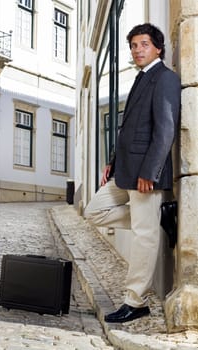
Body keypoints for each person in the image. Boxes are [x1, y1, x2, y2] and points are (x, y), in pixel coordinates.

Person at [84, 23, 181, 323]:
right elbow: (130, 128)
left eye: (143, 44)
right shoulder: (140, 78)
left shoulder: (165, 78)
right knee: (93, 211)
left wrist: (150, 171)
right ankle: (157, 219)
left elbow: (165, 130)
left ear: (158, 48)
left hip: (145, 174)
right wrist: (112, 162)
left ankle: (135, 301)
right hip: (125, 169)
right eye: (133, 45)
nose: (137, 50)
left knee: (143, 237)